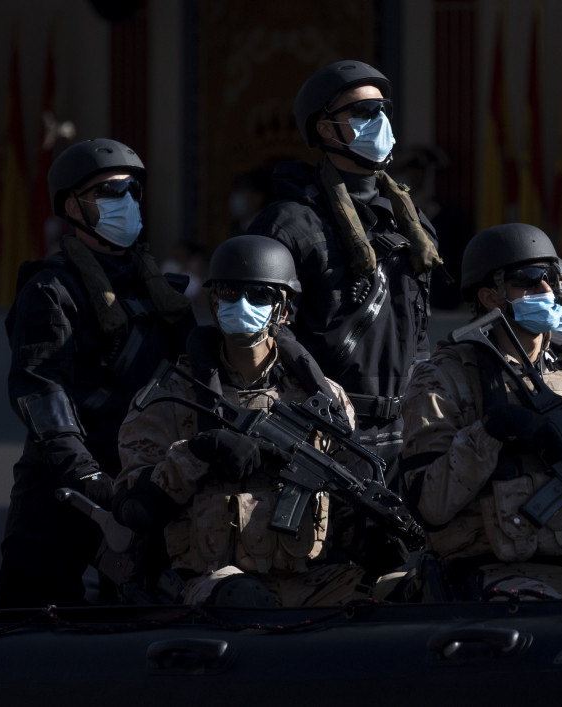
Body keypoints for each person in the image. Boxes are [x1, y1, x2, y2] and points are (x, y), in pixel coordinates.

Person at [113, 236, 386, 607]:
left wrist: (376, 536)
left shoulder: (324, 401)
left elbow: (346, 499)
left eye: (259, 294)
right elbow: (135, 506)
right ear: (213, 300)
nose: (241, 305)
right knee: (244, 599)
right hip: (214, 582)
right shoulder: (173, 396)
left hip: (308, 580)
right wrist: (198, 452)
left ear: (284, 310)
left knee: (401, 588)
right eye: (228, 293)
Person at [0, 138, 194, 607]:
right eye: (109, 192)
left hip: (144, 485)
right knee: (29, 623)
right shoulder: (51, 289)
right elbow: (41, 388)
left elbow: (194, 381)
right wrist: (84, 475)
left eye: (131, 190)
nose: (125, 201)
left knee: (148, 626)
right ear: (73, 206)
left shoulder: (164, 294)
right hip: (63, 488)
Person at [399, 223, 562, 600]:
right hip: (497, 578)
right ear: (491, 297)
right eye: (527, 280)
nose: (547, 291)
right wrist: (489, 433)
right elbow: (430, 505)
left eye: (552, 279)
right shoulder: (445, 378)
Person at [248, 59, 444, 482]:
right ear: (325, 128)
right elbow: (265, 328)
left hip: (404, 433)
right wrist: (319, 387)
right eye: (363, 112)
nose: (379, 122)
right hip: (325, 432)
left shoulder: (413, 224)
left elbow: (420, 329)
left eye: (382, 110)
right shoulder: (291, 223)